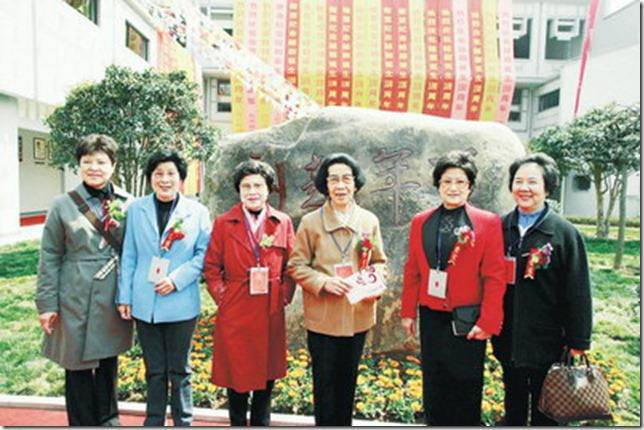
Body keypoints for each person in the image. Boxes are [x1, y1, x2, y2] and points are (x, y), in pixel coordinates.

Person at [400, 150, 506, 426]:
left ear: (470, 186)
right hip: (431, 315)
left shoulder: (487, 222)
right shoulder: (421, 221)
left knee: (465, 388)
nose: (453, 188)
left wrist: (488, 321)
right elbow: (413, 269)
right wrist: (408, 311)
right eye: (447, 181)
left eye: (460, 182)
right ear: (438, 185)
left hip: (468, 319)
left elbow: (495, 277)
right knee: (434, 384)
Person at [36, 134, 133, 426]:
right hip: (74, 295)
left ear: (113, 165)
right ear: (78, 165)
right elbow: (50, 256)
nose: (94, 168)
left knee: (108, 363)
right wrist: (47, 304)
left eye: (101, 162)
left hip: (113, 294)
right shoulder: (62, 205)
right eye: (87, 161)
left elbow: (135, 252)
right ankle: (81, 423)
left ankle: (109, 420)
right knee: (75, 364)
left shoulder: (128, 203)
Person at [492, 153, 592, 426]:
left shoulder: (564, 233)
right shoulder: (500, 227)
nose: (524, 188)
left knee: (546, 411)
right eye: (518, 181)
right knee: (513, 402)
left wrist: (579, 339)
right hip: (509, 336)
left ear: (547, 187)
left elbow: (578, 289)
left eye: (532, 182)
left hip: (549, 341)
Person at [287, 153, 387, 426]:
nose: (340, 186)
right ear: (325, 184)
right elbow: (296, 265)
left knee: (348, 383)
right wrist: (323, 282)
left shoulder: (368, 221)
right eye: (334, 180)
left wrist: (375, 282)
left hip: (357, 314)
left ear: (355, 183)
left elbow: (379, 261)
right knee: (325, 385)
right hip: (323, 317)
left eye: (346, 179)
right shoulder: (311, 222)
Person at [117, 149, 211, 426]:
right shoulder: (136, 209)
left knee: (180, 370)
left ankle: (184, 421)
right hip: (145, 301)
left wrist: (176, 279)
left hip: (181, 301)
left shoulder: (197, 212)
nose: (165, 179)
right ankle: (154, 421)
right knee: (154, 369)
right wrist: (125, 297)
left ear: (181, 178)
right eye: (158, 174)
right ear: (150, 178)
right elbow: (129, 255)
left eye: (171, 173)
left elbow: (203, 255)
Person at [203, 159, 295, 426]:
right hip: (236, 307)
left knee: (267, 377)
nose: (252, 191)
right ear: (239, 190)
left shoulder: (282, 222)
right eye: (246, 186)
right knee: (236, 377)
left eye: (258, 185)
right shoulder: (224, 222)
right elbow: (211, 267)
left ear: (268, 190)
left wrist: (283, 295)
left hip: (270, 309)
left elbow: (293, 265)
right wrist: (222, 296)